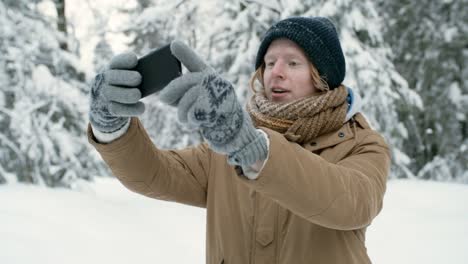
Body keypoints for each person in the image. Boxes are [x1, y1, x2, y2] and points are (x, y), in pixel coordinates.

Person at [88, 16, 391, 264]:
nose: (277, 72)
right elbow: (155, 175)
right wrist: (111, 127)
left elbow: (352, 204)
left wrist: (252, 149)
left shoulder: (362, 143)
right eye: (270, 63)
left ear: (324, 77)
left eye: (293, 63)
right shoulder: (226, 143)